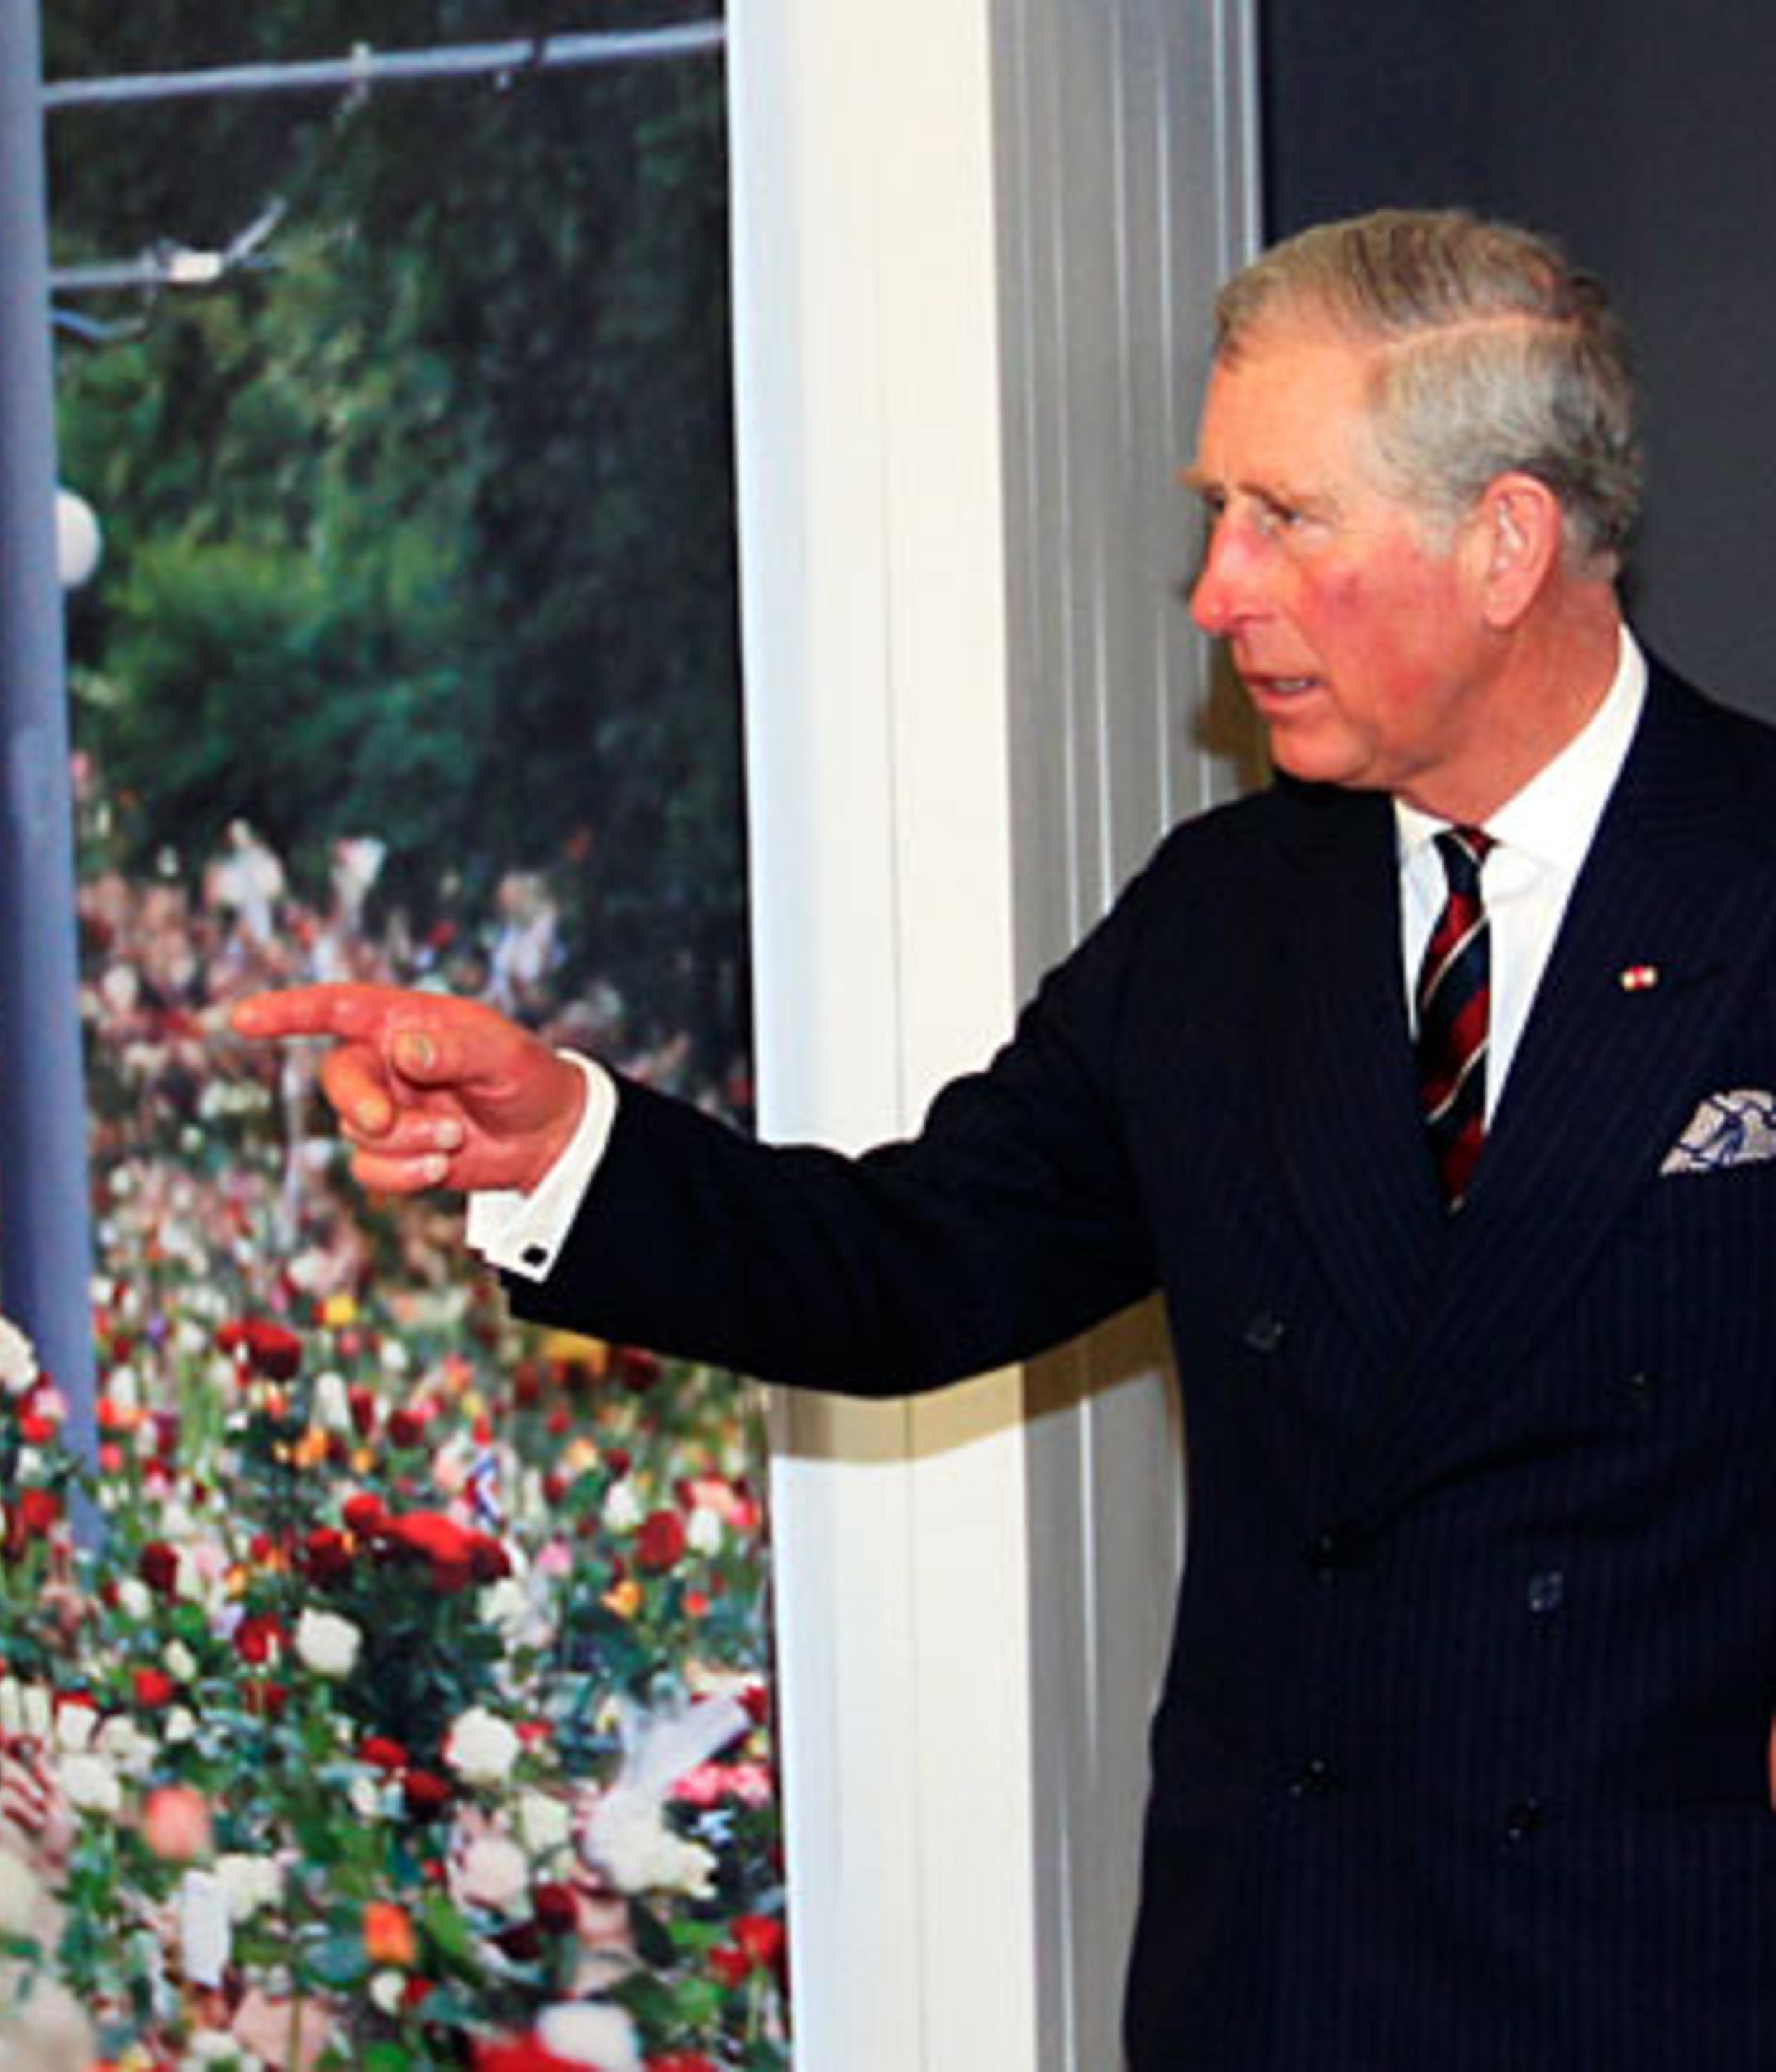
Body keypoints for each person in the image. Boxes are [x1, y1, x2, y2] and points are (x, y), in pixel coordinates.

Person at [233, 208, 1776, 2068]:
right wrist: (563, 1135)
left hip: (1666, 1986)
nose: (1218, 590)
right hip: (1288, 1989)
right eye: (1219, 512)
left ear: (1505, 542)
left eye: (1285, 518)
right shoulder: (1226, 923)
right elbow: (911, 1266)